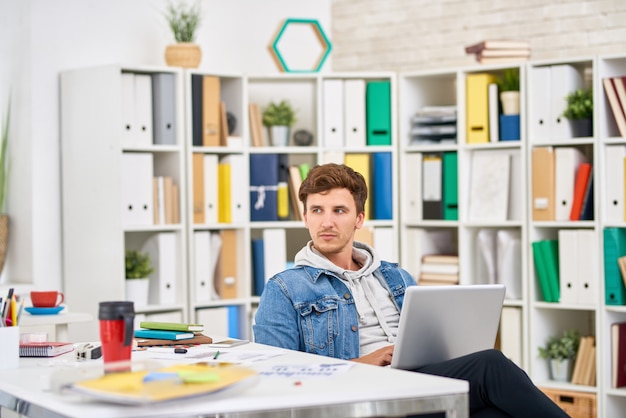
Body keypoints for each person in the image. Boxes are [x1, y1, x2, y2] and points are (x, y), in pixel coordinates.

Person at [253, 163, 568, 418]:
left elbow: (429, 344)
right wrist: (364, 363)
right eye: (317, 210)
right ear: (305, 217)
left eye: (339, 210)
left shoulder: (396, 277)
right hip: (357, 398)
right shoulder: (284, 288)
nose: (327, 222)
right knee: (491, 364)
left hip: (415, 387)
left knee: (495, 413)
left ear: (359, 218)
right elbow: (278, 380)